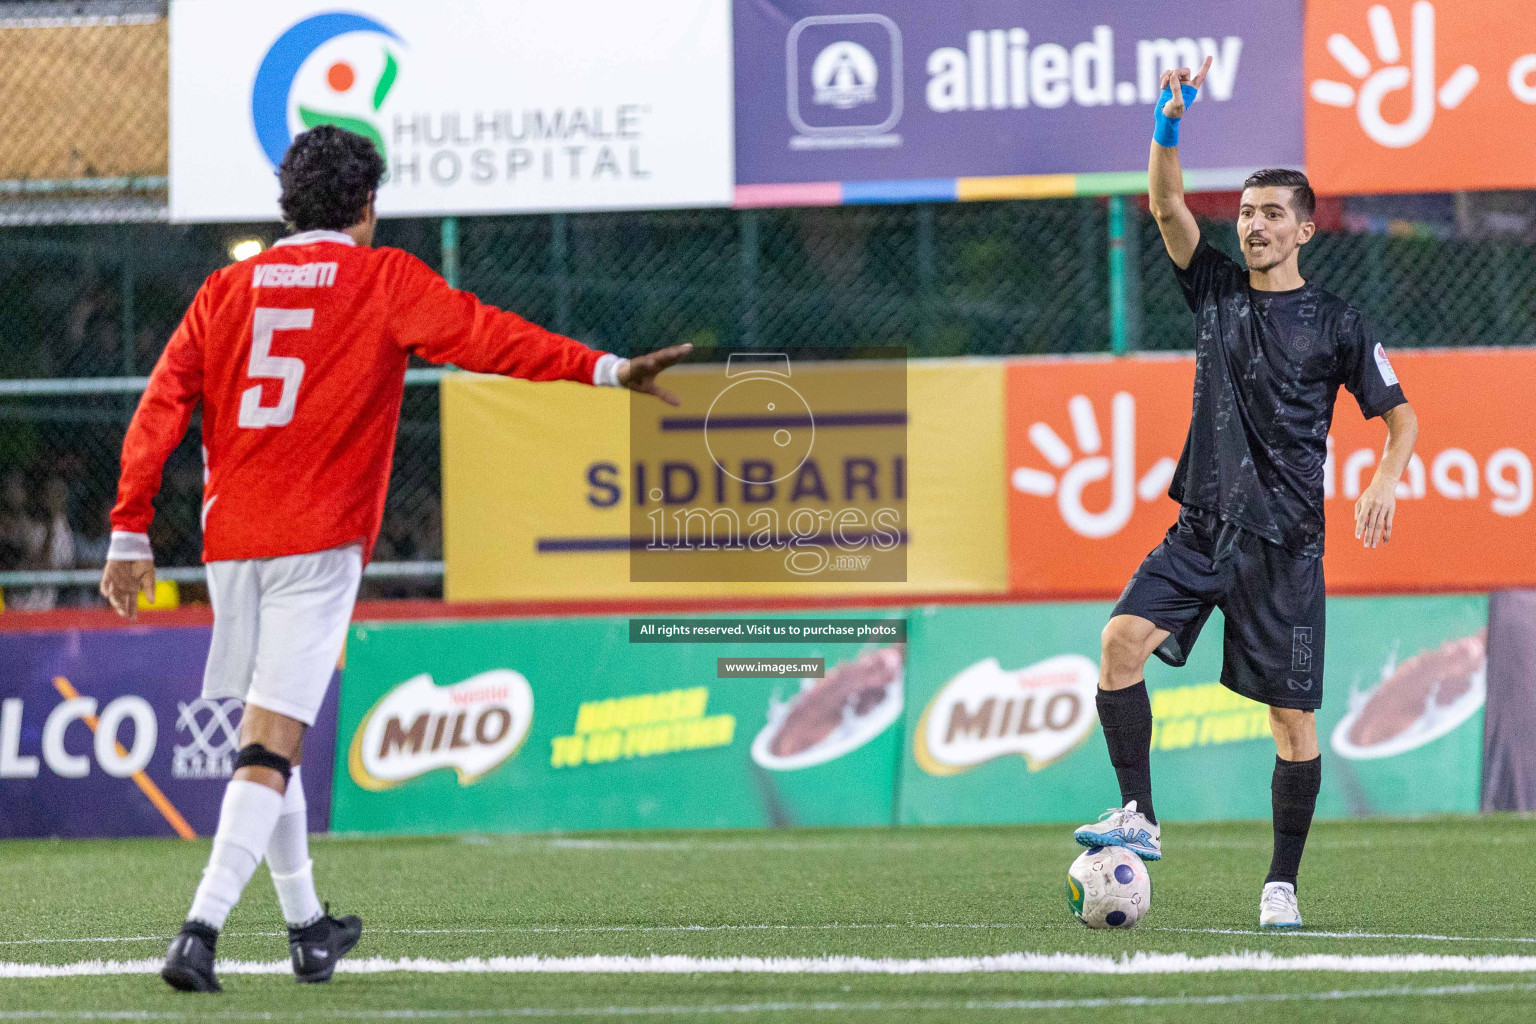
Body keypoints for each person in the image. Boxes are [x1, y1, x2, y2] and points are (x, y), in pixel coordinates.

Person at [99, 125, 688, 993]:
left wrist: (129, 528)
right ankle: (199, 931)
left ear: (285, 205)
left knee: (272, 726)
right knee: (271, 740)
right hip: (317, 539)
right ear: (367, 206)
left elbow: (162, 403)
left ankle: (308, 930)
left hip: (232, 542)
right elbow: (491, 338)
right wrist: (605, 370)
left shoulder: (224, 289)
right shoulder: (383, 280)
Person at [1071, 58, 1418, 930]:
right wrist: (1167, 126)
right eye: (1249, 212)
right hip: (1203, 528)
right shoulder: (1216, 290)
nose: (1254, 225)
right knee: (1118, 645)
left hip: (1287, 545)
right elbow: (1164, 204)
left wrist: (1383, 477)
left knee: (1293, 728)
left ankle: (1281, 886)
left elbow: (1402, 419)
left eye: (1272, 215)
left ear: (1304, 230)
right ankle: (1139, 815)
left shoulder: (1339, 321)